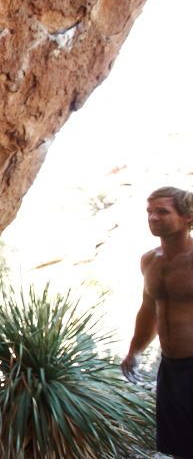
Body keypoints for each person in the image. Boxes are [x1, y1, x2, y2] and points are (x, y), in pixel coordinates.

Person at [122, 186, 193, 458]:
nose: (153, 217)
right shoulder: (150, 260)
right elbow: (149, 309)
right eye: (150, 212)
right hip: (171, 367)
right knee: (179, 447)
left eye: (162, 211)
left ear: (187, 216)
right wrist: (134, 350)